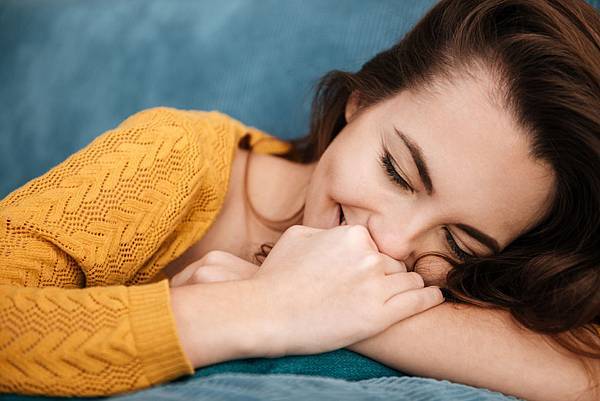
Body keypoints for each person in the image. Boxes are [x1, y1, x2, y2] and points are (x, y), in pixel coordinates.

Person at [0, 0, 598, 400]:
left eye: (459, 241)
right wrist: (263, 310)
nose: (392, 243)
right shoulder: (171, 157)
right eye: (396, 170)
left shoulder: (464, 283)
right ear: (359, 102)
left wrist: (332, 310)